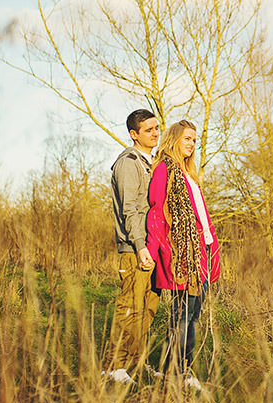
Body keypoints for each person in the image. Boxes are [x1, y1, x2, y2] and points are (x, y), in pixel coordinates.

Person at [146, 120, 220, 390]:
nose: (191, 144)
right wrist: (156, 251)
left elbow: (201, 216)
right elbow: (156, 213)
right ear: (174, 139)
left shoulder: (190, 175)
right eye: (187, 138)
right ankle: (175, 373)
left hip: (202, 252)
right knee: (182, 317)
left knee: (193, 316)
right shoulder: (165, 170)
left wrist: (212, 248)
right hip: (182, 255)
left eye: (194, 140)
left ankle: (182, 370)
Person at [105, 109, 162, 384]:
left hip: (150, 246)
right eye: (149, 129)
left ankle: (135, 363)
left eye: (156, 128)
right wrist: (140, 247)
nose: (155, 133)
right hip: (134, 248)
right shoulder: (128, 162)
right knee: (130, 307)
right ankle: (114, 367)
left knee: (148, 306)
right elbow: (130, 210)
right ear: (134, 134)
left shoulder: (149, 162)